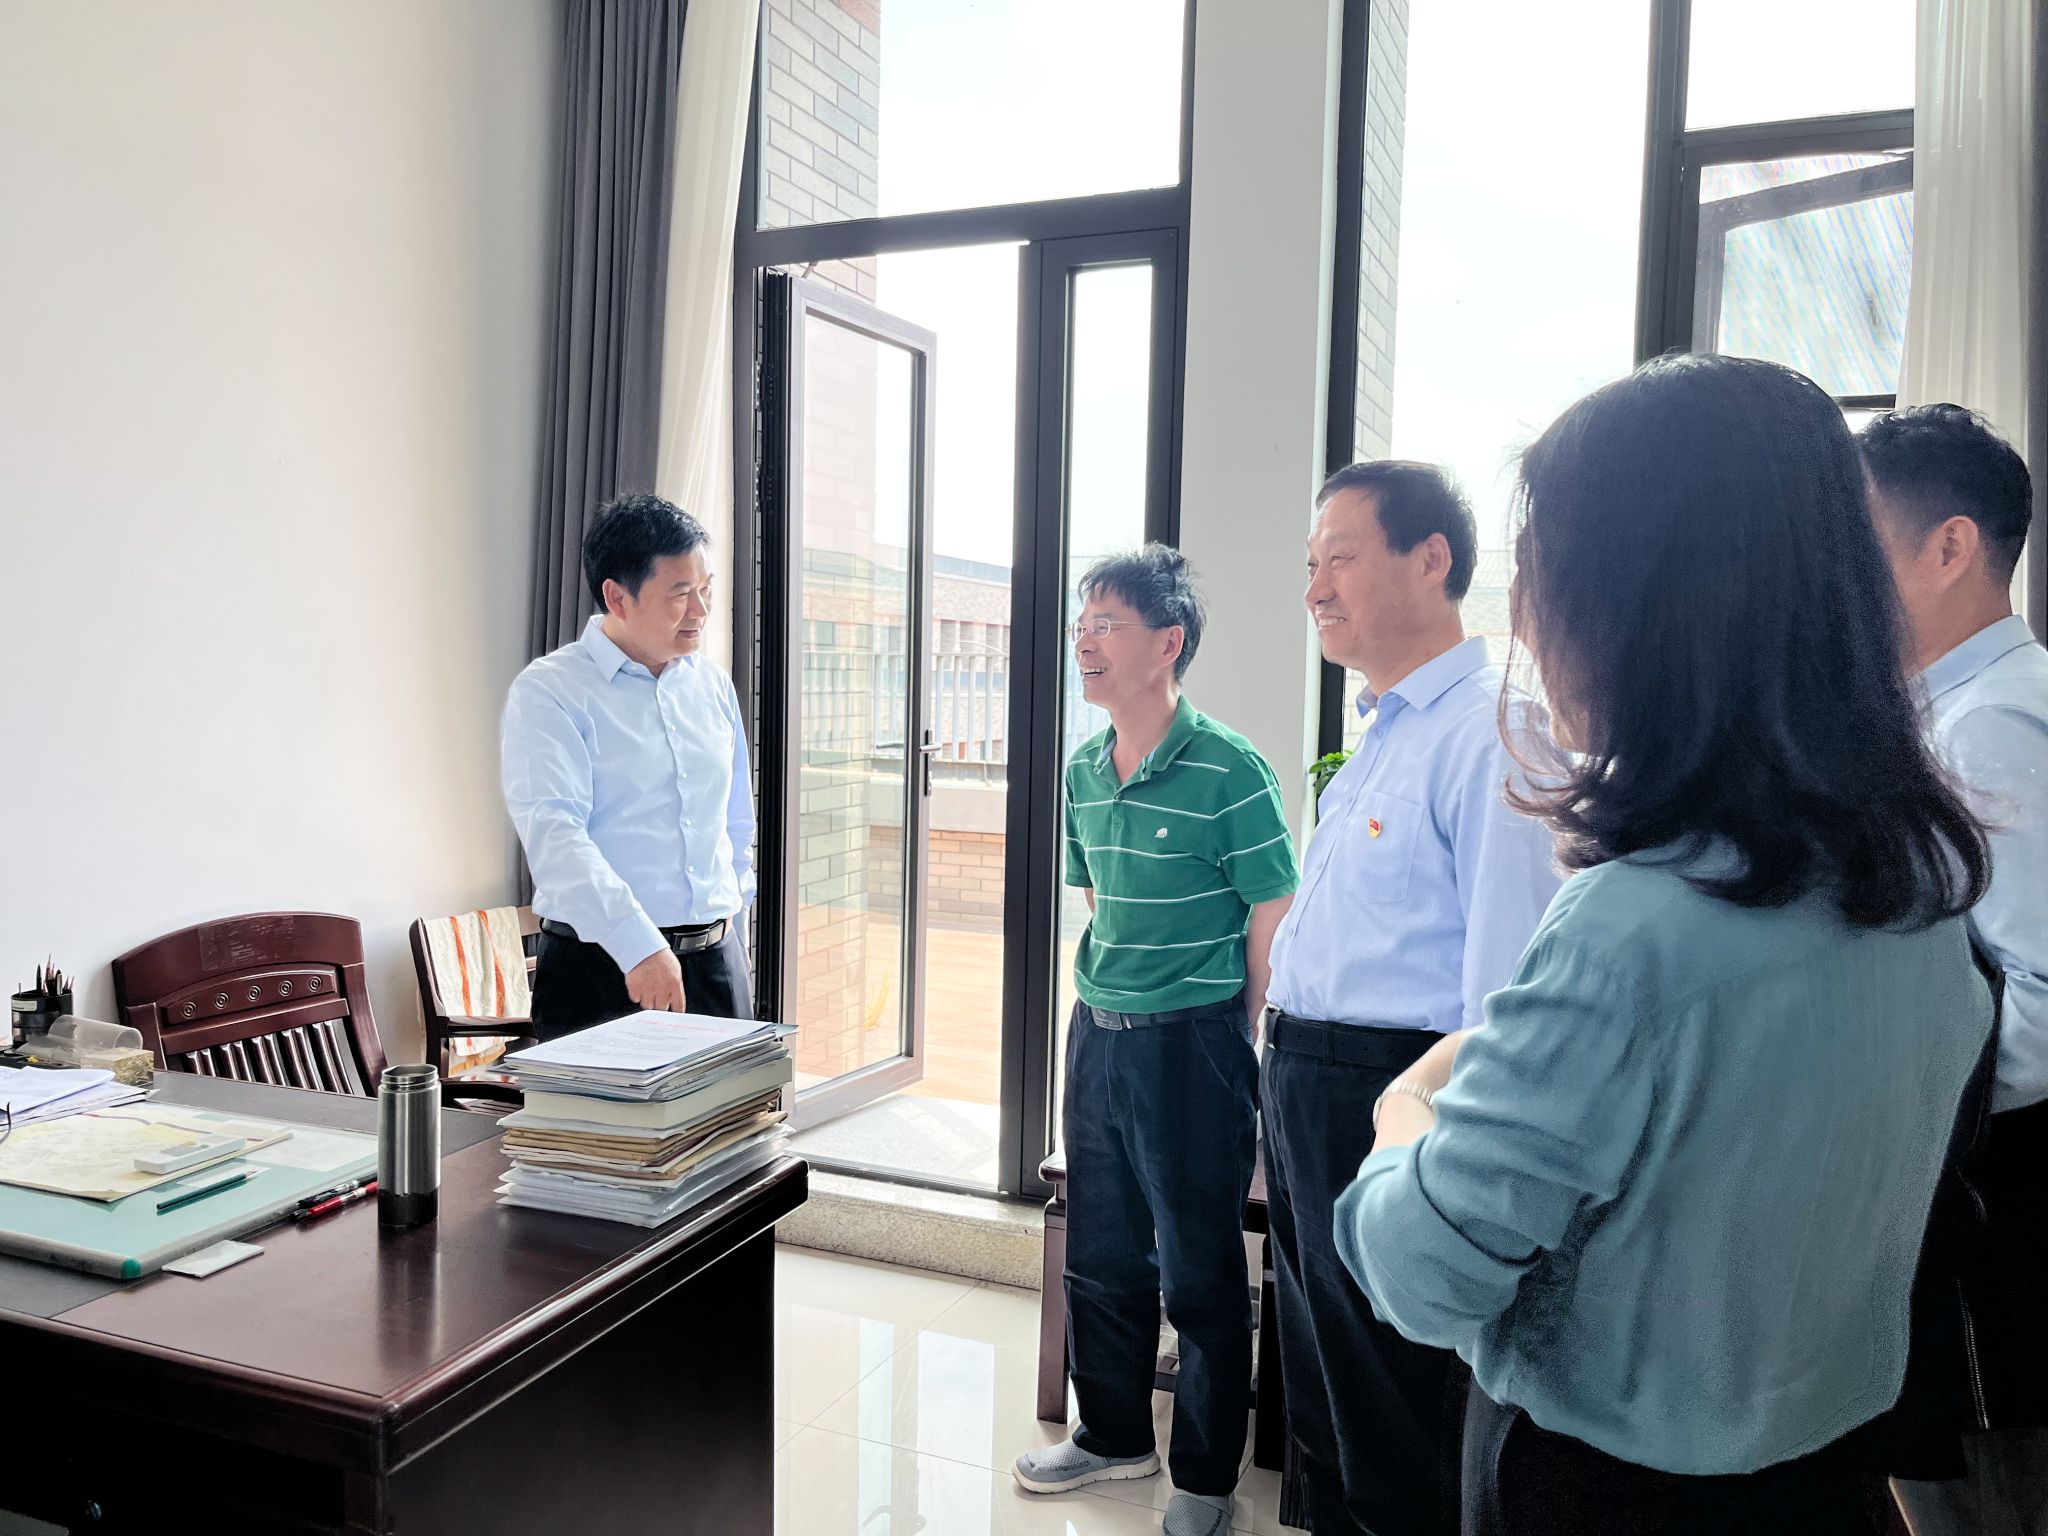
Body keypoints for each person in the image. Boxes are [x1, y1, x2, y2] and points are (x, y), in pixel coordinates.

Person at [1338, 354, 1996, 1536]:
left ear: (1640, 609)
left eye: (1546, 575)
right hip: (1830, 1480)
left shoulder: (1631, 928)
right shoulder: (1924, 879)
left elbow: (1423, 1271)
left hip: (1606, 1493)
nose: (1527, 619)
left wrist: (1404, 1113)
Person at [1262, 460, 1563, 1536]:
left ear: (1431, 560)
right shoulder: (1387, 731)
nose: (1315, 589)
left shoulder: (1492, 732)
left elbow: (1507, 994)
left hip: (1391, 1093)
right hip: (1309, 1085)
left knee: (1395, 1410)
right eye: (1310, 565)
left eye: (1339, 559)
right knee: (1327, 1396)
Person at [1012, 545, 1299, 1536]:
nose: (1084, 642)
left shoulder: (1230, 767)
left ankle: (1206, 1479)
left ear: (1166, 644)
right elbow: (1099, 895)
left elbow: (1271, 907)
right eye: (1081, 624)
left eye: (1107, 624)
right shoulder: (1084, 768)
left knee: (1200, 1270)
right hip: (1096, 1030)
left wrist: (1238, 1026)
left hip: (1193, 1046)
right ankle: (1112, 1436)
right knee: (1100, 1251)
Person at [1861, 404, 2048, 1534]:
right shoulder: (1957, 714)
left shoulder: (1990, 727)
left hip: (1996, 1219)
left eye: (1856, 547)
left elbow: (2042, 1006)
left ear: (1949, 547)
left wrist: (1885, 1107)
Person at [502, 494, 755, 1039]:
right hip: (602, 969)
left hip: (716, 964)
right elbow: (556, 836)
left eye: (706, 589)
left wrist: (735, 908)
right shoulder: (551, 691)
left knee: (743, 1100)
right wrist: (639, 946)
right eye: (680, 594)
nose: (700, 610)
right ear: (617, 597)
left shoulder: (711, 684)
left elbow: (735, 818)